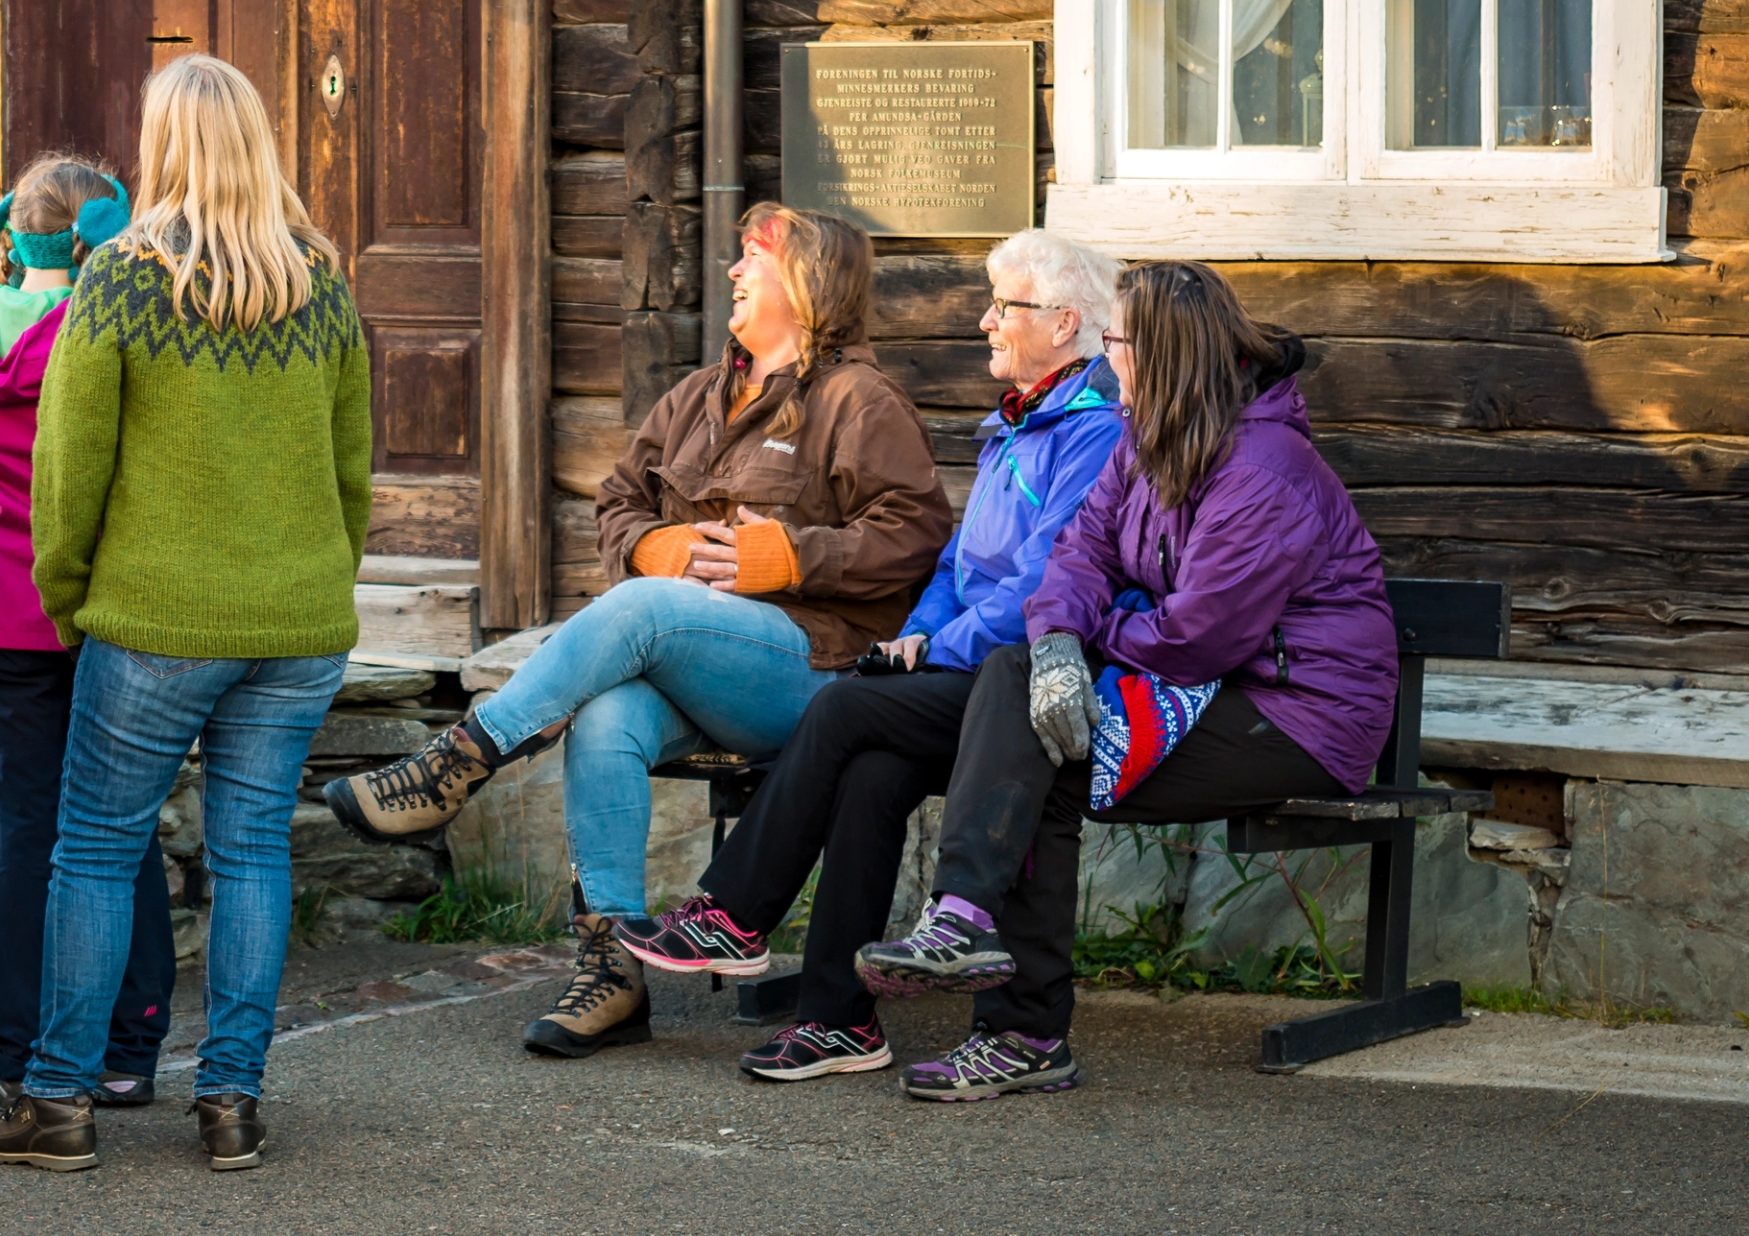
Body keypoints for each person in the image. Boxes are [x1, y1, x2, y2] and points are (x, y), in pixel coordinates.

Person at [318, 201, 953, 1061]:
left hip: (814, 670)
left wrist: (787, 556)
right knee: (610, 709)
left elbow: (914, 534)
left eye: (753, 260)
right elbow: (618, 502)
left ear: (805, 286)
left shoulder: (858, 399)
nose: (733, 273)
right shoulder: (697, 397)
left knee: (644, 610)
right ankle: (613, 965)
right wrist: (657, 543)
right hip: (707, 670)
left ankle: (459, 761)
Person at [850, 261, 1397, 1101]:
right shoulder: (1146, 439)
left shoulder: (1262, 469)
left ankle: (1011, 1011)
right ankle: (971, 943)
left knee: (1046, 759)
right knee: (1020, 677)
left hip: (1298, 716)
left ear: (1164, 354)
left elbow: (1198, 639)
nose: (1108, 358)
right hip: (1202, 685)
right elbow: (1083, 551)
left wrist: (1085, 637)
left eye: (1118, 341)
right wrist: (1061, 637)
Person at [0, 55, 368, 1180]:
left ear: (163, 149)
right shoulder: (321, 281)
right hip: (293, 625)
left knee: (94, 849)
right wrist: (322, 581)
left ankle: (54, 1102)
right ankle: (232, 1102)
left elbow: (68, 468)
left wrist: (68, 599)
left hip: (149, 624)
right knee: (251, 856)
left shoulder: (124, 278)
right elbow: (352, 468)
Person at [623, 230, 1129, 1080]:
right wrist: (918, 633)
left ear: (1065, 322)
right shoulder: (1019, 428)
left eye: (1004, 306)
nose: (984, 322)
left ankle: (734, 910)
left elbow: (1047, 585)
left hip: (1030, 686)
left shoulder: (1093, 434)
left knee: (846, 708)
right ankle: (837, 1021)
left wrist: (936, 645)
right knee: (871, 768)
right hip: (968, 669)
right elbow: (958, 565)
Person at [0, 154, 178, 1112]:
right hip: (99, 605)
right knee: (122, 831)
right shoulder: (110, 325)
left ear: (12, 231)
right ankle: (129, 1044)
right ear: (104, 232)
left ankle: (15, 1048)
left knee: (27, 832)